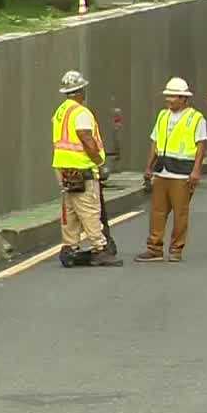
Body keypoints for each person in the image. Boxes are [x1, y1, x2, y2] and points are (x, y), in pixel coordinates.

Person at [52, 70, 121, 266]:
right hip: (81, 167)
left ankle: (70, 247)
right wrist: (99, 160)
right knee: (89, 208)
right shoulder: (81, 113)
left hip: (62, 166)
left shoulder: (60, 111)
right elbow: (86, 138)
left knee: (71, 208)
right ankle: (100, 248)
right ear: (81, 90)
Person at [137, 77, 207, 263]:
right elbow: (155, 142)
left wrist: (196, 171)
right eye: (167, 96)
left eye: (173, 96)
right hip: (162, 171)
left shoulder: (196, 118)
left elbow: (201, 146)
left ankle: (176, 249)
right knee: (157, 212)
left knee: (180, 213)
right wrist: (149, 167)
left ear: (183, 98)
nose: (168, 100)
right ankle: (154, 248)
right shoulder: (162, 116)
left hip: (182, 173)